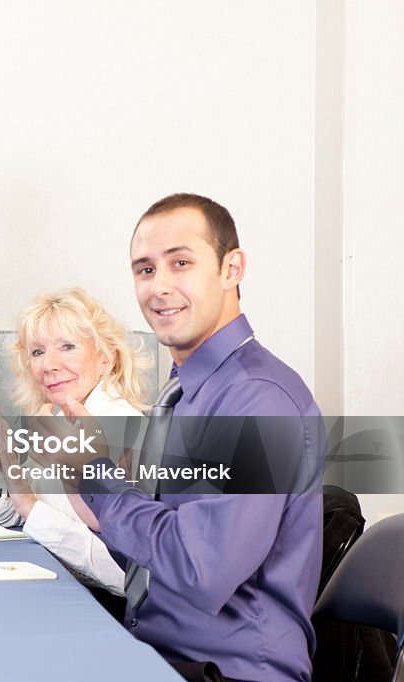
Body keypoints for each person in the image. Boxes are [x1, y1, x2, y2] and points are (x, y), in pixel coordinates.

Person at [59, 194, 323, 681]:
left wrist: (99, 480)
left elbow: (204, 568)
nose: (159, 287)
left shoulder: (255, 401)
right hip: (160, 654)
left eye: (180, 263)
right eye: (144, 269)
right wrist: (91, 502)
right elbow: (162, 559)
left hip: (229, 671)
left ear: (231, 268)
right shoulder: (188, 393)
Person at [0, 289, 149, 597]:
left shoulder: (128, 428)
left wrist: (31, 509)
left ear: (106, 360)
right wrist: (4, 470)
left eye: (67, 346)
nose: (49, 365)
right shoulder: (48, 420)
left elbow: (130, 576)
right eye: (37, 352)